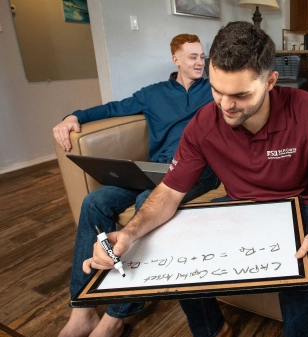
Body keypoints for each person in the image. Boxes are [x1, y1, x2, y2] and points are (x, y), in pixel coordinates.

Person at [86, 21, 308, 337]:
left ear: (270, 82)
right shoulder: (204, 123)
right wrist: (128, 234)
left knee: (298, 260)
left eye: (239, 94)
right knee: (174, 233)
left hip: (298, 204)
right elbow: (170, 191)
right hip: (240, 204)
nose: (225, 105)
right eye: (216, 90)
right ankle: (212, 328)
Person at [56, 34, 221, 337]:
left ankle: (116, 317)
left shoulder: (214, 90)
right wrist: (73, 116)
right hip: (153, 169)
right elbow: (113, 108)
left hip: (199, 170)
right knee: (94, 201)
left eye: (202, 57)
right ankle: (82, 309)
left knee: (148, 199)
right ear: (175, 60)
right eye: (193, 57)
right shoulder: (153, 93)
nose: (200, 62)